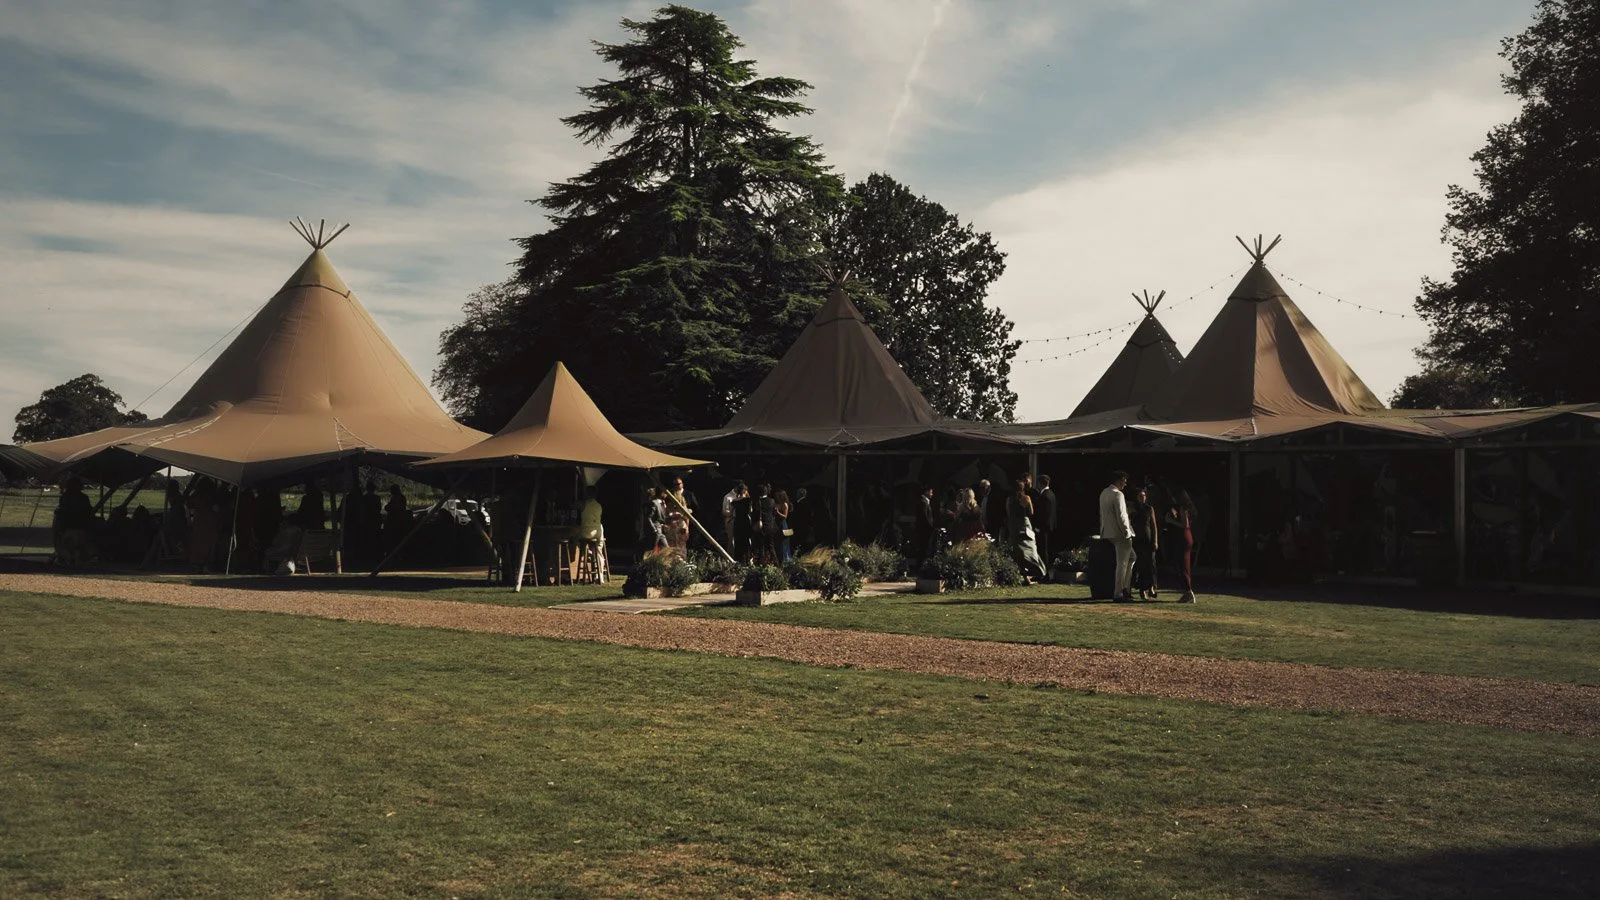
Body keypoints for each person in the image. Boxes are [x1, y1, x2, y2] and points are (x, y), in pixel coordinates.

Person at [1099, 470, 1135, 601]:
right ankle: (1119, 592)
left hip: (1108, 532)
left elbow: (1102, 515)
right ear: (1119, 480)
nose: (1125, 484)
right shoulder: (1118, 495)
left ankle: (1125, 588)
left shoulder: (1104, 493)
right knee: (1123, 562)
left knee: (1131, 557)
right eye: (1124, 481)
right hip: (1120, 533)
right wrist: (1126, 531)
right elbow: (1122, 516)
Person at [1007, 475, 1046, 582]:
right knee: (1030, 549)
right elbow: (1031, 512)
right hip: (1025, 524)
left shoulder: (1010, 500)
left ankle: (1024, 576)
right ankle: (1037, 570)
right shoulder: (1026, 498)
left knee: (1018, 552)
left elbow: (1008, 513)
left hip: (1014, 525)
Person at [53, 476, 96, 566]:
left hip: (70, 527)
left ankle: (69, 557)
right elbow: (88, 512)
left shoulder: (65, 497)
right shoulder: (83, 498)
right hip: (80, 527)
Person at [1131, 485, 1160, 600]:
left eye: (1144, 496)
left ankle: (1152, 586)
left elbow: (1154, 526)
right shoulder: (1133, 508)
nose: (1142, 498)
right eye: (1140, 496)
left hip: (1148, 538)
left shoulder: (1149, 509)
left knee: (1151, 564)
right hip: (1137, 539)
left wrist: (1155, 540)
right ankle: (1142, 589)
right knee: (1140, 565)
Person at [1172, 489, 1198, 603]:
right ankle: (1187, 591)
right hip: (1188, 536)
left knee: (1182, 564)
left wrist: (1171, 520)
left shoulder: (1183, 508)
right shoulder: (1189, 508)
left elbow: (1185, 525)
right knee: (1184, 564)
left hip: (1183, 536)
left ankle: (1188, 591)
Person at [1035, 474, 1058, 567]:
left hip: (1044, 527)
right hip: (1051, 526)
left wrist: (1038, 527)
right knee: (1048, 549)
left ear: (1040, 483)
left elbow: (1044, 514)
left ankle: (1045, 572)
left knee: (1043, 550)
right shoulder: (1051, 494)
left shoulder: (1044, 496)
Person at [730, 482, 755, 563]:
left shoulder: (734, 501)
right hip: (745, 521)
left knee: (738, 541)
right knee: (746, 541)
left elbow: (731, 512)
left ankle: (738, 559)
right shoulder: (748, 500)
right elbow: (751, 511)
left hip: (737, 521)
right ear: (745, 491)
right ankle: (747, 559)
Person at [913, 485, 936, 563]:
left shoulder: (924, 502)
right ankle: (920, 566)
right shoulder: (923, 503)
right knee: (923, 549)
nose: (932, 494)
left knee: (923, 549)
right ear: (926, 492)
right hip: (924, 531)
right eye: (931, 492)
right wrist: (931, 527)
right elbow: (925, 517)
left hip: (924, 530)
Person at [773, 489, 793, 562]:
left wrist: (777, 512)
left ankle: (786, 559)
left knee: (784, 543)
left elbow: (785, 516)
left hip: (782, 524)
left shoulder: (784, 504)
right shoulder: (776, 503)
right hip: (776, 524)